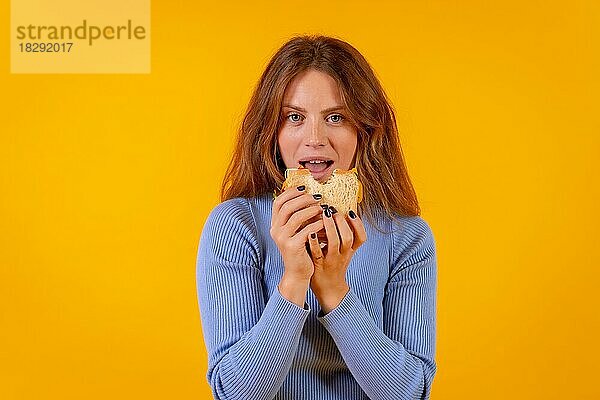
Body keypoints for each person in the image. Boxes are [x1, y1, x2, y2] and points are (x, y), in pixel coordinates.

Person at [196, 34, 437, 400]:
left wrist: (334, 289)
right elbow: (235, 393)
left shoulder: (407, 237)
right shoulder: (234, 227)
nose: (315, 138)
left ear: (364, 130)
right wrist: (295, 279)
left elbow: (408, 393)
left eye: (335, 117)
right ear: (272, 133)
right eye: (294, 117)